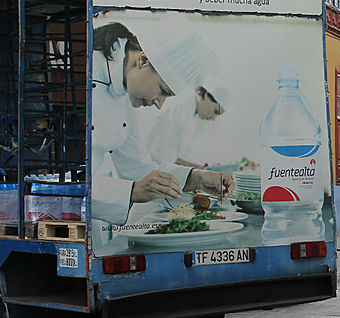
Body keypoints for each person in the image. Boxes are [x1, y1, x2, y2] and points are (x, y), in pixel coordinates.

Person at [90, 16, 234, 226]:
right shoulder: (86, 68)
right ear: (144, 60)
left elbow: (139, 168)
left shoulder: (126, 96)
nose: (159, 104)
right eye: (162, 91)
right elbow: (64, 181)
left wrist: (197, 177)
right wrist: (131, 191)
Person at [147, 79, 229, 169]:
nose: (213, 118)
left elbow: (171, 153)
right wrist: (196, 169)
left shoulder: (189, 108)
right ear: (205, 95)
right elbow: (160, 153)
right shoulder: (180, 107)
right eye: (216, 111)